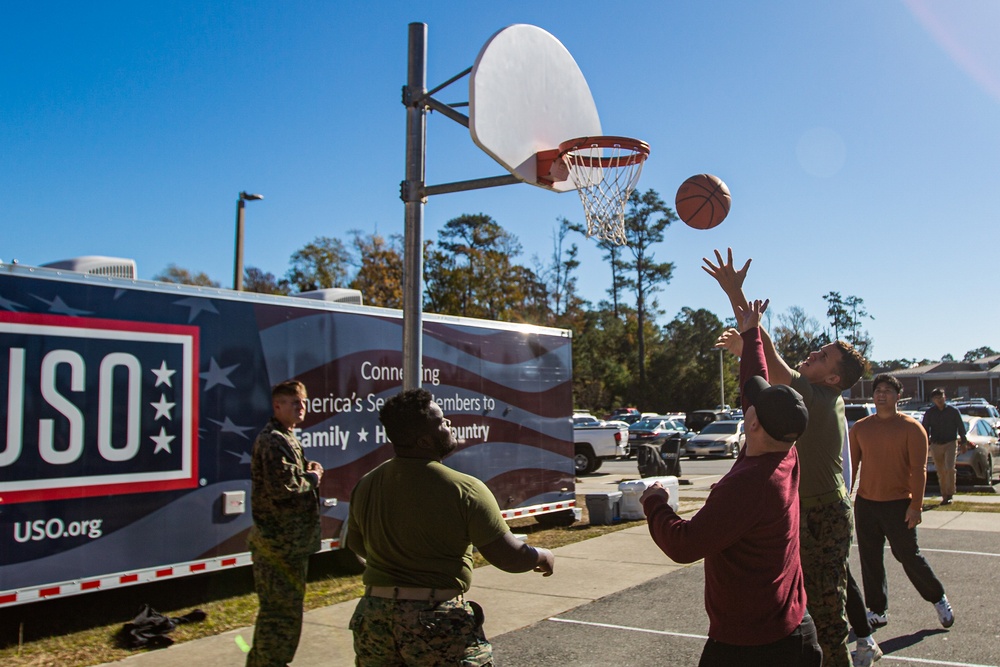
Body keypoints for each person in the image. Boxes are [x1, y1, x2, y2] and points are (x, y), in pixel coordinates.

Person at [704, 248, 869, 667]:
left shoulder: (818, 395)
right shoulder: (814, 394)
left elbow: (769, 363)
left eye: (824, 356)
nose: (815, 352)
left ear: (833, 377)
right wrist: (746, 336)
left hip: (824, 513)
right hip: (806, 509)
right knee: (800, 606)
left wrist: (735, 294)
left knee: (827, 610)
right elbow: (762, 367)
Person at [642, 299, 821, 666]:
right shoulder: (784, 454)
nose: (746, 404)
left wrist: (654, 502)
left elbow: (684, 545)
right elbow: (751, 383)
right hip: (795, 630)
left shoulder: (748, 485)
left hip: (753, 647)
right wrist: (751, 331)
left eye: (751, 407)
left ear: (753, 425)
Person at [347, 388, 555, 666]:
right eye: (442, 422)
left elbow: (357, 544)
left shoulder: (366, 484)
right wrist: (543, 555)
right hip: (433, 621)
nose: (450, 425)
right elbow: (508, 557)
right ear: (424, 441)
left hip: (373, 619)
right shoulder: (465, 489)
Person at [850, 373, 954, 631]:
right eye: (877, 390)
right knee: (870, 558)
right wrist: (845, 497)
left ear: (898, 396)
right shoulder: (860, 427)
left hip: (899, 504)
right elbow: (851, 468)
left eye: (887, 390)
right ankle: (877, 610)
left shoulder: (911, 427)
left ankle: (938, 598)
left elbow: (919, 470)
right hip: (866, 503)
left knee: (908, 556)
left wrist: (916, 506)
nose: (881, 394)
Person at [246, 380, 324, 667]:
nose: (301, 407)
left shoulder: (286, 437)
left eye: (303, 402)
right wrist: (313, 478)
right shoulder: (273, 440)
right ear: (277, 406)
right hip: (278, 547)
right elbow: (283, 488)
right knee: (279, 615)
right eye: (294, 403)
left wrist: (306, 472)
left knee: (284, 612)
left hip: (288, 545)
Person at [921, 387, 968, 505]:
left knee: (949, 468)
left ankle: (950, 493)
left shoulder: (953, 411)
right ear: (933, 400)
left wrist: (963, 442)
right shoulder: (930, 413)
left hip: (950, 443)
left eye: (941, 397)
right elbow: (924, 429)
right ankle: (944, 495)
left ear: (945, 397)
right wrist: (924, 444)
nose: (939, 400)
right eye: (936, 398)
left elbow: (961, 428)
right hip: (936, 444)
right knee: (941, 471)